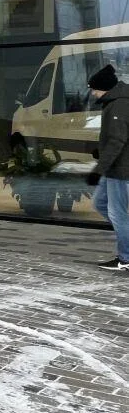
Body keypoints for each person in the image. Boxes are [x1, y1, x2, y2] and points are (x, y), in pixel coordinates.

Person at [86, 64, 129, 269]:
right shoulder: (114, 102)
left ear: (104, 87)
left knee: (117, 214)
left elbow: (117, 141)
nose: (93, 93)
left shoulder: (119, 105)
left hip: (121, 170)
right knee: (100, 204)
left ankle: (126, 259)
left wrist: (98, 169)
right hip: (114, 168)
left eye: (94, 89)